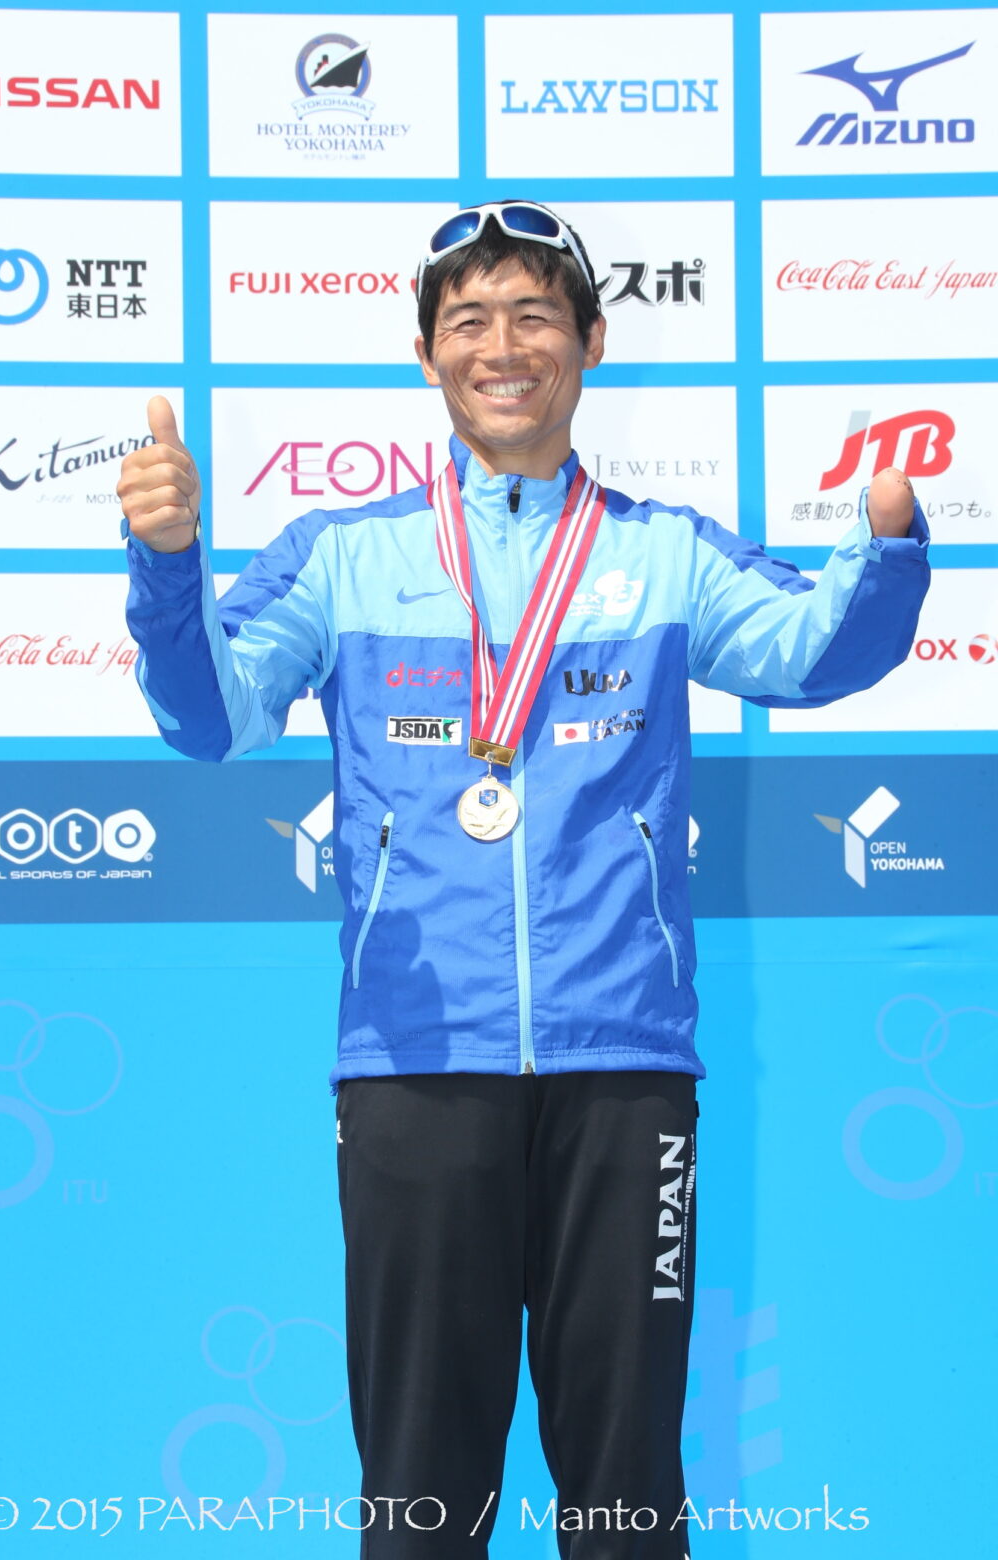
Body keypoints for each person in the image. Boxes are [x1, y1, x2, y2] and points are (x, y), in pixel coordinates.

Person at [118, 200, 930, 1558]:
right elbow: (211, 718)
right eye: (470, 321)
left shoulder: (664, 549)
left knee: (627, 1493)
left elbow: (814, 656)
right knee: (421, 1496)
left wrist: (887, 556)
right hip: (413, 1064)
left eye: (536, 315)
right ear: (427, 355)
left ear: (591, 341)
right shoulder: (342, 553)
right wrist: (164, 568)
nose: (502, 347)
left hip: (624, 1067)